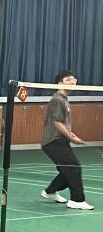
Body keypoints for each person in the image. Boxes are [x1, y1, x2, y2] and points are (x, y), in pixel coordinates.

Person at [40, 70, 93, 211]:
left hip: (57, 141)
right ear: (60, 83)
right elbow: (57, 123)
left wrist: (72, 135)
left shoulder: (64, 99)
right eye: (68, 79)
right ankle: (77, 200)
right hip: (53, 141)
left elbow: (63, 123)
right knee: (74, 168)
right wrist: (72, 138)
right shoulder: (58, 100)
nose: (73, 81)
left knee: (66, 170)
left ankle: (50, 191)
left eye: (74, 79)